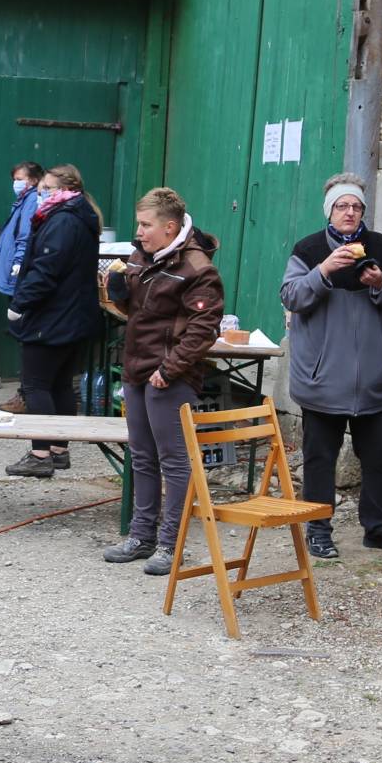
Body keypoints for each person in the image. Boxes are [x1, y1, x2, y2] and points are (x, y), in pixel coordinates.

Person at [279, 172, 382, 559]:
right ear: (330, 211)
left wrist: (380, 281)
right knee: (320, 457)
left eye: (356, 206)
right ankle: (319, 528)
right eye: (342, 206)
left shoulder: (381, 247)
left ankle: (377, 526)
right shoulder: (308, 250)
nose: (350, 212)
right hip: (322, 380)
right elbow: (291, 296)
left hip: (375, 380)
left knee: (380, 455)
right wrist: (323, 271)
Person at [101, 188, 224, 576]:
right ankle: (141, 536)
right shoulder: (142, 256)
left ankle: (171, 544)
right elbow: (133, 311)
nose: (138, 232)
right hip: (138, 368)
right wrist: (116, 292)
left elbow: (204, 329)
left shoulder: (198, 268)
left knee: (175, 461)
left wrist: (170, 369)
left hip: (170, 376)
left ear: (170, 227)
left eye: (145, 225)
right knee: (141, 456)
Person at [3, 163, 102, 478]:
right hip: (71, 315)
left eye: (45, 188)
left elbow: (47, 269)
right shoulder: (80, 216)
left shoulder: (62, 220)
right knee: (60, 384)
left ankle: (40, 454)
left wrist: (20, 303)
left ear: (62, 190)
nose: (39, 193)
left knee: (36, 385)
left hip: (51, 316)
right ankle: (59, 450)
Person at [0, 161, 44, 415]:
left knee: (24, 335)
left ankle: (26, 394)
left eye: (20, 178)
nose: (16, 183)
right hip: (14, 279)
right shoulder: (23, 200)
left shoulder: (32, 200)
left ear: (33, 180)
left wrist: (18, 265)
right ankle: (25, 392)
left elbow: (25, 237)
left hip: (18, 280)